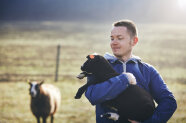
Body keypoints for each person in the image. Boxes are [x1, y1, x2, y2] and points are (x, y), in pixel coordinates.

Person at [85, 19, 177, 123]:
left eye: (119, 38)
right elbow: (92, 95)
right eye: (112, 38)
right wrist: (124, 79)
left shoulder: (147, 71)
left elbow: (169, 101)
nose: (114, 42)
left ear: (134, 41)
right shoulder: (99, 66)